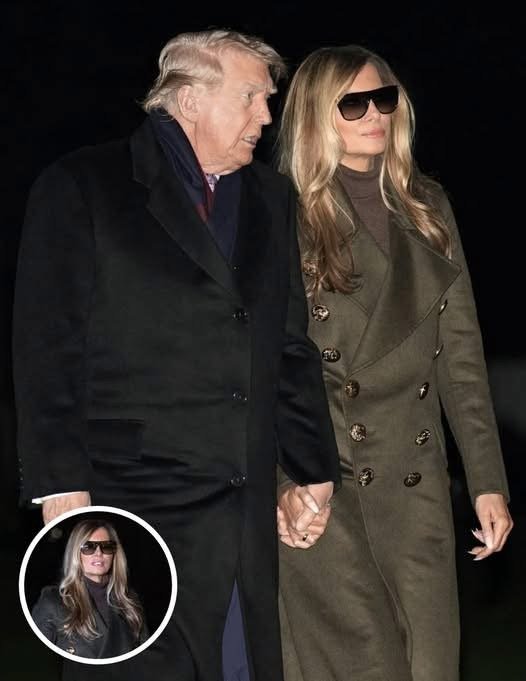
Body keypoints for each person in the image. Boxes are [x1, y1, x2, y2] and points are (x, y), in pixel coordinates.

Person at [13, 29, 340, 681]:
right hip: (131, 499)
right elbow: (47, 348)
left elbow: (287, 345)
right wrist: (60, 485)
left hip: (240, 510)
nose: (266, 116)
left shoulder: (272, 197)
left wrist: (312, 468)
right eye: (250, 96)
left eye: (267, 100)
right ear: (189, 99)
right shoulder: (83, 184)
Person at [275, 44, 513, 681]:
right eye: (353, 104)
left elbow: (460, 359)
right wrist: (283, 485)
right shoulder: (282, 214)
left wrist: (487, 481)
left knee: (429, 666)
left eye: (384, 98)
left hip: (416, 487)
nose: (375, 114)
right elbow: (262, 369)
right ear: (316, 115)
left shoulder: (426, 206)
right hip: (324, 483)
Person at [32, 519, 147, 658]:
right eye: (88, 547)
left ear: (114, 554)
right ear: (75, 553)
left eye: (107, 546)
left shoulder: (129, 602)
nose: (99, 553)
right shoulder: (53, 602)